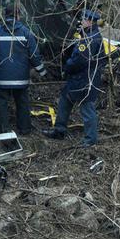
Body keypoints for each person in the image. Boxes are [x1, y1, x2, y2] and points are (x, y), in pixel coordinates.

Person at [42, 9, 106, 147]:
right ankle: (59, 130)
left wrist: (67, 67)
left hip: (84, 81)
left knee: (87, 110)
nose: (81, 22)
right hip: (80, 80)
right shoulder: (91, 35)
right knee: (65, 101)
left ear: (89, 22)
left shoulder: (89, 40)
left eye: (83, 20)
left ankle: (90, 140)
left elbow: (79, 60)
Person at [0, 5, 46, 135]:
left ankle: (3, 129)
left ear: (4, 15)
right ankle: (25, 129)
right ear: (18, 16)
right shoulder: (26, 32)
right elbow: (34, 54)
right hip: (21, 79)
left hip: (2, 78)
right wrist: (42, 71)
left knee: (2, 102)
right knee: (22, 102)